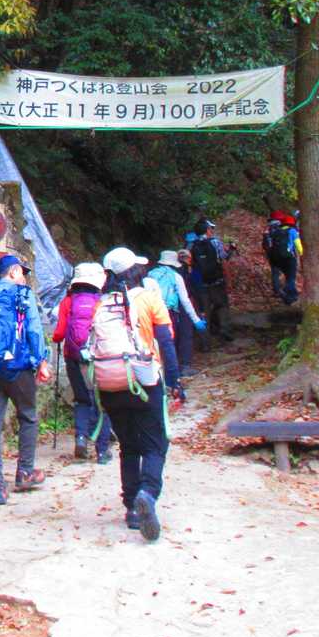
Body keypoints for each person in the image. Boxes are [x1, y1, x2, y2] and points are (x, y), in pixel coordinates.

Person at [92, 246, 181, 542]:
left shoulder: (101, 303)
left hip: (109, 382)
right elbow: (165, 341)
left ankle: (131, 508)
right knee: (156, 443)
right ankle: (148, 493)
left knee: (129, 446)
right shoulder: (149, 298)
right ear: (135, 270)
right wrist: (175, 381)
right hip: (144, 379)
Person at [0, 253, 50, 505]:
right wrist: (41, 361)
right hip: (18, 368)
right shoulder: (23, 296)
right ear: (13, 272)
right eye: (22, 272)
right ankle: (25, 473)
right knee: (28, 416)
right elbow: (34, 330)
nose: (24, 277)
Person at [51, 262, 113, 464]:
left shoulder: (67, 302)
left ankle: (80, 439)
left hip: (73, 357)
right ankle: (102, 450)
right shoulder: (101, 302)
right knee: (102, 402)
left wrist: (59, 339)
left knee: (81, 399)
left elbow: (59, 334)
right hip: (97, 359)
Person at [148, 250, 206, 378]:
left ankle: (160, 371)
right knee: (172, 340)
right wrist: (196, 320)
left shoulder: (150, 275)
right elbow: (185, 300)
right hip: (169, 312)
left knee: (158, 341)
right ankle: (180, 370)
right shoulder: (176, 276)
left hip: (153, 311)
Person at [190, 219, 236, 341]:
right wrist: (229, 279)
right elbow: (223, 260)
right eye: (210, 229)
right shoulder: (215, 242)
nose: (212, 231)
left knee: (204, 310)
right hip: (217, 281)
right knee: (222, 305)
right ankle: (225, 330)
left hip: (201, 284)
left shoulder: (191, 245)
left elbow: (189, 265)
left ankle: (205, 338)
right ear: (207, 230)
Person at [263, 213, 303, 305]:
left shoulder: (276, 231)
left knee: (287, 277)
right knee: (291, 278)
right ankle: (289, 296)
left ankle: (289, 294)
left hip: (276, 259)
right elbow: (298, 246)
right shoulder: (292, 231)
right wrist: (302, 253)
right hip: (289, 258)